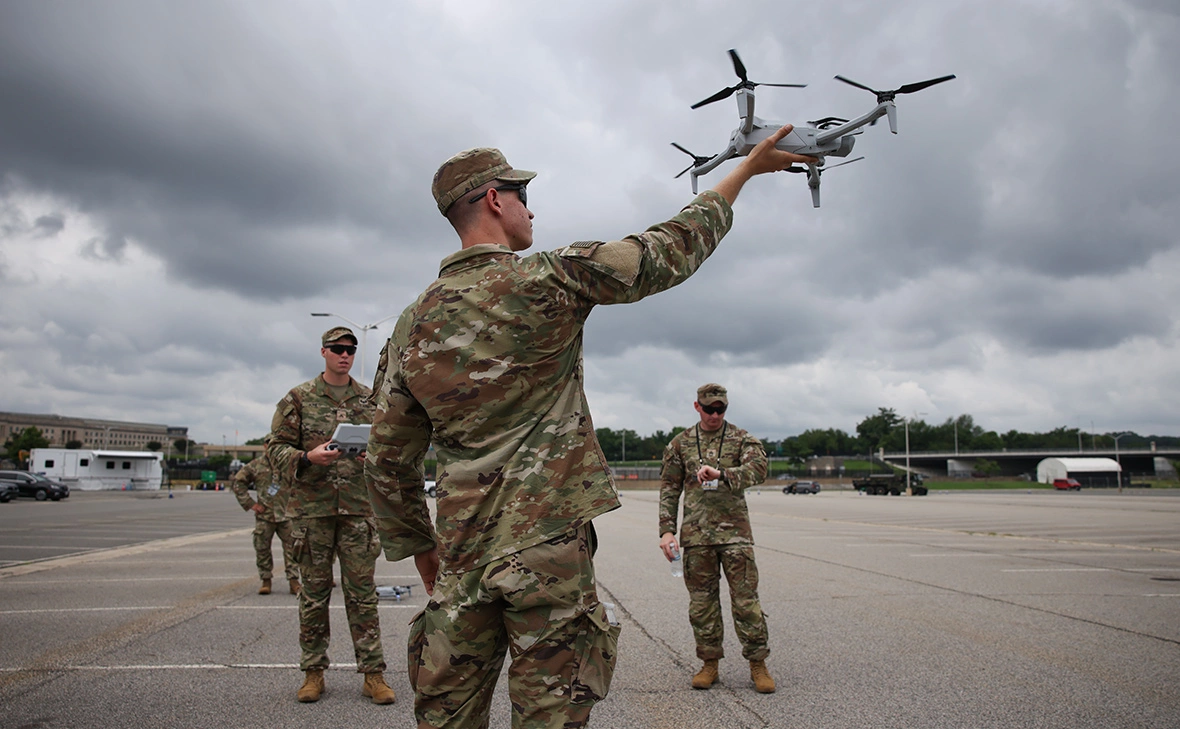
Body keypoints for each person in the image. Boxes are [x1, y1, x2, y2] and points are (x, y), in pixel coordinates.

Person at [366, 125, 814, 728]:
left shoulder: (409, 324)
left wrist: (422, 550)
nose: (531, 208)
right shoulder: (546, 279)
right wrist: (744, 173)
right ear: (494, 200)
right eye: (521, 194)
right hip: (547, 549)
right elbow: (665, 248)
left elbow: (386, 459)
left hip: (461, 557)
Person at [267, 326, 395, 705]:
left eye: (350, 349)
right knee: (313, 595)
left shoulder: (369, 400)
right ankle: (313, 673)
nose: (345, 355)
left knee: (363, 596)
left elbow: (388, 446)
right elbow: (274, 448)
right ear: (323, 352)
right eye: (338, 349)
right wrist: (307, 457)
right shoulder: (299, 399)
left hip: (358, 511)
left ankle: (373, 675)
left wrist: (373, 455)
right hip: (313, 512)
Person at [658, 383, 774, 693]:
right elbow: (670, 488)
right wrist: (666, 531)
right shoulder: (680, 444)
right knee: (702, 606)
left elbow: (759, 469)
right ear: (697, 407)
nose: (714, 414)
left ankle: (758, 664)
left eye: (720, 409)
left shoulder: (741, 438)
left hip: (735, 535)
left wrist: (723, 474)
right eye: (709, 409)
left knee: (746, 602)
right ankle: (709, 664)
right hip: (696, 537)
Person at [229, 443, 300, 596]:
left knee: (293, 549)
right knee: (262, 549)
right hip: (265, 515)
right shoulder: (255, 466)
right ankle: (265, 580)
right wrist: (250, 504)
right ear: (265, 446)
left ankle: (294, 581)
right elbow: (238, 482)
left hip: (285, 515)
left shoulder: (287, 464)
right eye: (270, 445)